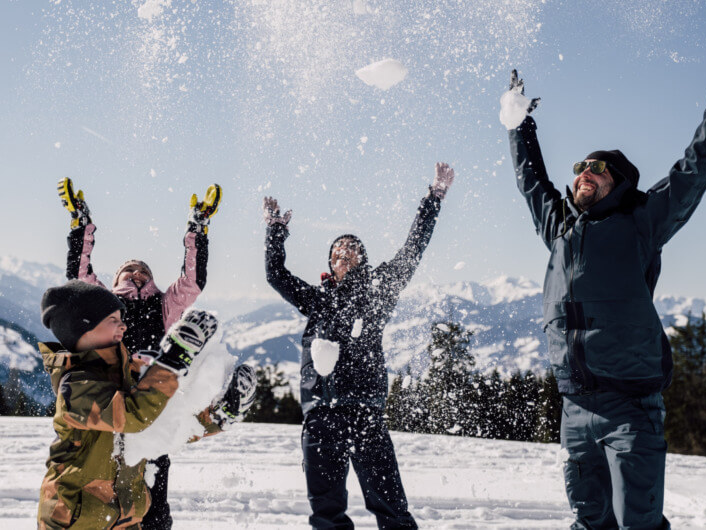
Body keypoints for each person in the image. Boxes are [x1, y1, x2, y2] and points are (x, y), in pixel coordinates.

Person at [502, 36, 706, 530]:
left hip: (629, 410)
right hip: (574, 408)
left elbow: (696, 168)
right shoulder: (561, 228)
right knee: (590, 522)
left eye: (597, 168)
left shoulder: (641, 223)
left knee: (638, 525)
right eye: (580, 168)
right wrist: (519, 122)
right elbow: (531, 180)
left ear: (620, 182)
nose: (585, 173)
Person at [263, 162, 455, 529]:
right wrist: (275, 232)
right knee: (326, 513)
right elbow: (276, 275)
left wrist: (434, 198)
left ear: (362, 260)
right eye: (338, 250)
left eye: (352, 248)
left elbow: (413, 249)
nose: (345, 252)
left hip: (365, 412)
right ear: (330, 263)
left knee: (391, 508)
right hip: (320, 414)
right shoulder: (318, 299)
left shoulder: (378, 292)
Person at [57, 178, 219, 529]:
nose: (137, 271)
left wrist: (197, 229)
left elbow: (192, 281)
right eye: (129, 269)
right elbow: (79, 275)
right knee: (102, 481)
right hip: (108, 396)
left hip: (152, 400)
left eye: (143, 269)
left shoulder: (164, 305)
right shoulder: (105, 302)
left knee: (154, 487)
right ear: (116, 278)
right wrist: (82, 226)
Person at [37, 280, 253, 529]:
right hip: (75, 521)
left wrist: (216, 418)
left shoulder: (128, 375)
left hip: (124, 520)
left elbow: (163, 426)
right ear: (85, 326)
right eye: (113, 320)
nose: (123, 325)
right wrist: (174, 359)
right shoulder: (76, 386)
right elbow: (133, 417)